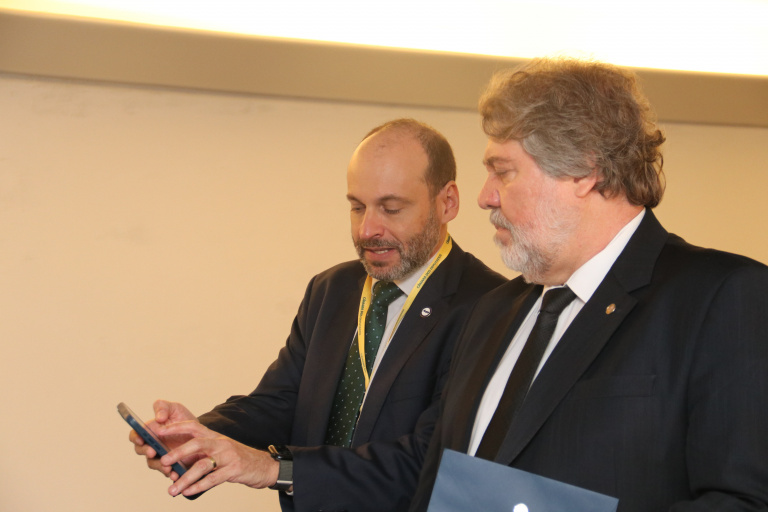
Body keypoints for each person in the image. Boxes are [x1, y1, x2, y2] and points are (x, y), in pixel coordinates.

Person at [410, 58, 768, 512]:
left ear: (583, 169)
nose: (485, 196)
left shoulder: (724, 298)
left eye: (503, 171)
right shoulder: (490, 312)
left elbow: (746, 501)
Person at [129, 118, 506, 511]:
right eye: (357, 207)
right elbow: (281, 402)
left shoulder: (491, 307)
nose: (367, 229)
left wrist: (277, 469)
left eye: (391, 208)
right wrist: (200, 436)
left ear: (447, 202)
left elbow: (432, 459)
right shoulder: (332, 290)